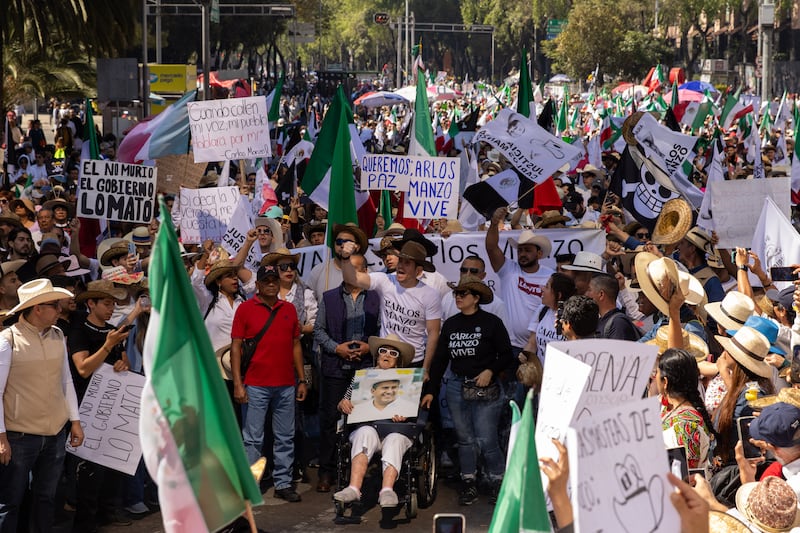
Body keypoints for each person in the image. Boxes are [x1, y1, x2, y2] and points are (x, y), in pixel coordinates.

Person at [0, 279, 84, 532]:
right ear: (38, 308)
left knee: (45, 499)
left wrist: (75, 421)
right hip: (18, 436)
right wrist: (1, 437)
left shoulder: (58, 335)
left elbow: (66, 379)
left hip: (55, 434)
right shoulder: (7, 340)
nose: (60, 310)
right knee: (9, 503)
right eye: (55, 306)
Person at [423, 275, 513, 505]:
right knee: (464, 438)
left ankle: (497, 482)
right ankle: (469, 482)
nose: (458, 297)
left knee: (486, 438)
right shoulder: (451, 324)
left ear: (476, 298)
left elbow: (506, 355)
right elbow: (440, 360)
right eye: (456, 294)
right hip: (455, 385)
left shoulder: (491, 322)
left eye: (463, 294)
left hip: (486, 387)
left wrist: (490, 371)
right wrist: (431, 390)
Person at [230, 264, 308, 503]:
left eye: (275, 280)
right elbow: (236, 347)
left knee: (285, 436)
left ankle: (283, 483)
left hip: (286, 384)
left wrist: (301, 379)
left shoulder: (289, 309)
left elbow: (296, 345)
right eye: (267, 281)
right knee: (253, 438)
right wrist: (238, 383)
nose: (272, 284)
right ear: (259, 285)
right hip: (255, 384)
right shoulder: (245, 309)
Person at [68, 279, 134, 531]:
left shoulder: (113, 331)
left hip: (112, 408)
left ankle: (108, 511)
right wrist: (108, 346)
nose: (111, 309)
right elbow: (83, 368)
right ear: (90, 303)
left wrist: (122, 365)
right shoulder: (78, 330)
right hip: (85, 408)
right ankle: (85, 521)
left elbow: (124, 363)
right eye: (107, 303)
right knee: (88, 469)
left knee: (112, 466)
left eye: (114, 304)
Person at [313, 254, 381, 493]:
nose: (352, 273)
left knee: (363, 421)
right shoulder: (329, 297)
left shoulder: (376, 296)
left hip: (366, 369)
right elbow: (319, 331)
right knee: (331, 421)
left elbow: (383, 329)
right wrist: (336, 348)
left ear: (365, 271)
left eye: (357, 268)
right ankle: (326, 471)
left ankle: (360, 471)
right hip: (334, 368)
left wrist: (368, 346)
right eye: (348, 268)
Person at [334, 334, 417, 509]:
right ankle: (353, 488)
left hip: (396, 430)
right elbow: (342, 403)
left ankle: (387, 490)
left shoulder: (409, 382)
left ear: (399, 360)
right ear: (377, 355)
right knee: (365, 432)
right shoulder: (362, 378)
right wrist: (343, 404)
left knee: (395, 438)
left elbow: (413, 411)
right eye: (383, 351)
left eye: (393, 353)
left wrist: (405, 416)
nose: (386, 355)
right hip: (368, 428)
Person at [340, 240, 441, 372]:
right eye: (400, 261)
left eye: (407, 263)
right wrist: (346, 258)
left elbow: (433, 333)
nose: (401, 266)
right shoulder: (385, 281)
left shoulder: (430, 295)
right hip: (385, 359)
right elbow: (352, 279)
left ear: (418, 271)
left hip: (413, 361)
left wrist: (426, 368)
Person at [656, 348, 715, 469]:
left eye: (656, 372)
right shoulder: (669, 408)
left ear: (665, 382)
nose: (654, 376)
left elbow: (685, 476)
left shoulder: (686, 427)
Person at [523, 272, 576, 363]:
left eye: (547, 287)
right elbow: (532, 343)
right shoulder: (542, 310)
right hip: (541, 375)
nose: (542, 289)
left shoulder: (573, 317)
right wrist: (525, 356)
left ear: (558, 295)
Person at [308, 223, 369, 301]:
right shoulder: (318, 270)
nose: (342, 245)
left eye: (347, 242)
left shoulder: (366, 273)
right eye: (339, 242)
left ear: (357, 247)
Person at [587, 274, 642, 341]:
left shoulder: (618, 324)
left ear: (601, 294)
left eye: (589, 290)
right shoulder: (600, 321)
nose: (586, 294)